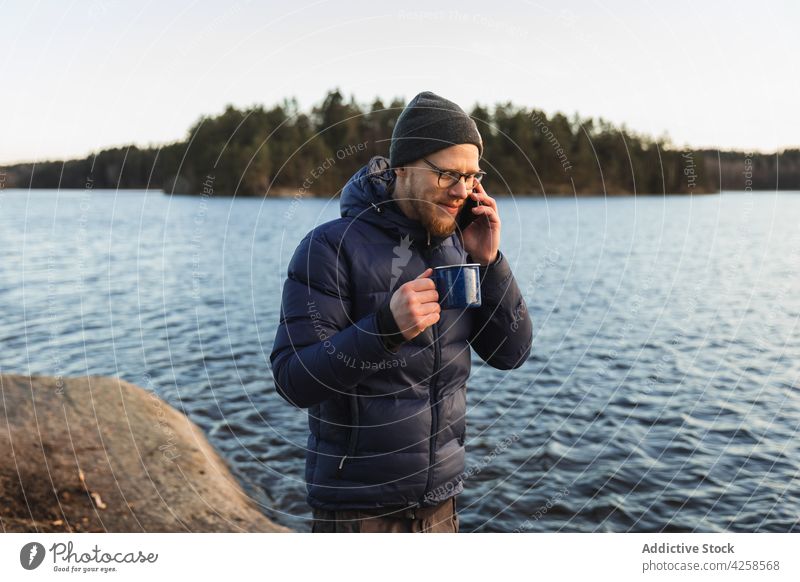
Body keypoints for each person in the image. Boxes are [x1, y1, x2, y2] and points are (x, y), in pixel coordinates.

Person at [270, 91, 533, 533]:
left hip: (441, 506)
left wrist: (491, 265)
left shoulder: (460, 246)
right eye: (448, 174)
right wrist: (385, 329)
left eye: (472, 177)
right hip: (357, 511)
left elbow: (511, 354)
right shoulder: (331, 248)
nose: (462, 191)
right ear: (403, 167)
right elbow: (294, 380)